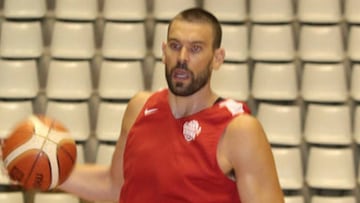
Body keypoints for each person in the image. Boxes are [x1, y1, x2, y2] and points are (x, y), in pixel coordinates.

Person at [3, 8, 284, 203]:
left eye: (196, 48)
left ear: (218, 58)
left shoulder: (239, 130)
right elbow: (114, 185)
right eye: (175, 46)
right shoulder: (140, 108)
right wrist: (41, 168)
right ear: (163, 52)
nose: (182, 57)